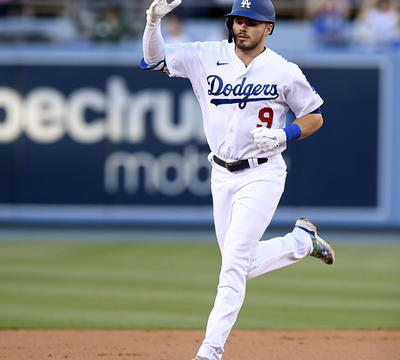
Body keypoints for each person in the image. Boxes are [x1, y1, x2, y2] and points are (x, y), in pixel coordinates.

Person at [140, 0, 336, 359]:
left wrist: (285, 135)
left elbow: (314, 115)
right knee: (242, 264)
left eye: (251, 22)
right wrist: (153, 22)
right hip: (221, 174)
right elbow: (155, 60)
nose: (241, 27)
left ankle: (210, 351)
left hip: (262, 173)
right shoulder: (205, 55)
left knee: (231, 266)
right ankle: (301, 242)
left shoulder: (283, 70)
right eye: (237, 20)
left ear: (269, 29)